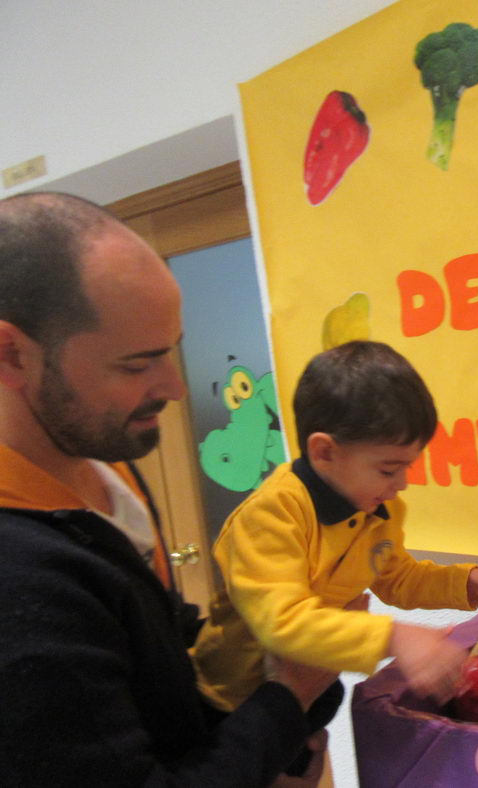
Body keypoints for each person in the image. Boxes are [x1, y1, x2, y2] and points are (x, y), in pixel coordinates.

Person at [0, 191, 340, 787]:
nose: (176, 389)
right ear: (11, 354)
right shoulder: (19, 578)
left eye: (172, 351)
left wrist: (266, 632)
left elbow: (149, 649)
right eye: (137, 365)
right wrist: (288, 699)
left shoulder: (106, 469)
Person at [192, 340, 478, 719]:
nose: (402, 483)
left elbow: (397, 578)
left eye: (407, 467)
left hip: (311, 686)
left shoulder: (380, 508)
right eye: (389, 469)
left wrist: (469, 580)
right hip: (229, 703)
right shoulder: (273, 514)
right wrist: (397, 636)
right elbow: (283, 622)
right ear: (325, 453)